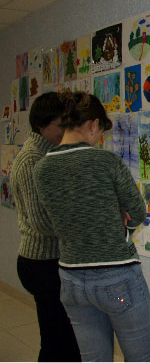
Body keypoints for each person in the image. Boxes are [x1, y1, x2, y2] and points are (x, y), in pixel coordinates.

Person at [34, 91, 150, 362]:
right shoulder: (106, 162)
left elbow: (54, 221)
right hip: (116, 276)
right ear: (92, 125)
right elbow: (137, 212)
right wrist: (117, 217)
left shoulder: (41, 169)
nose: (99, 138)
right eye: (100, 131)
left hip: (71, 280)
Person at [9, 92, 81, 362]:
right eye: (60, 124)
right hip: (41, 263)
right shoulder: (32, 160)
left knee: (65, 337)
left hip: (53, 260)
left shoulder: (48, 154)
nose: (65, 130)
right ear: (42, 125)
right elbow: (41, 220)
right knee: (57, 342)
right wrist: (81, 224)